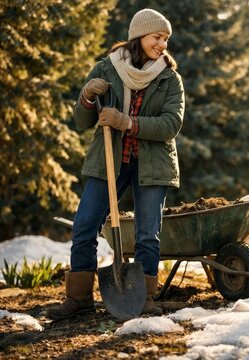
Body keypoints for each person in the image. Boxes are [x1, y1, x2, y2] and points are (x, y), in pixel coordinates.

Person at [46, 8, 184, 320]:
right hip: (109, 160)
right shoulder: (106, 69)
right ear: (139, 36)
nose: (163, 44)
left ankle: (145, 298)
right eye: (157, 37)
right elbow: (81, 120)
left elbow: (171, 124)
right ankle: (78, 298)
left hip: (153, 164)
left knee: (147, 234)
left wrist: (126, 121)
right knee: (84, 226)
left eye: (165, 39)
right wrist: (86, 96)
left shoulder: (169, 78)